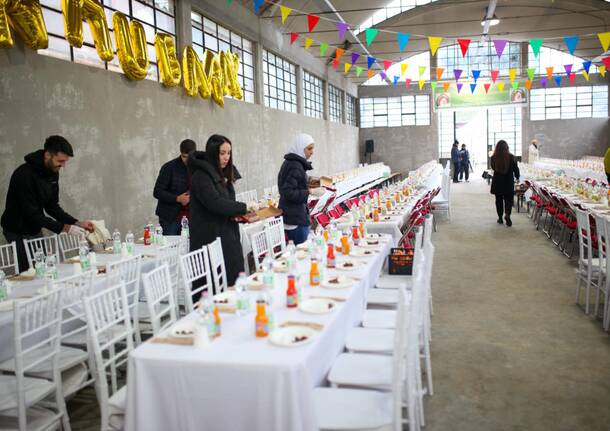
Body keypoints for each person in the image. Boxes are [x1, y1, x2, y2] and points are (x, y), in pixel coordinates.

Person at [1, 136, 95, 271]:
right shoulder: (23, 174)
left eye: (65, 161)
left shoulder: (53, 172)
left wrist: (77, 223)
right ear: (47, 155)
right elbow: (31, 213)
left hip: (35, 226)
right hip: (16, 229)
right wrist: (64, 228)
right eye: (61, 161)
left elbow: (52, 206)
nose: (63, 165)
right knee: (30, 271)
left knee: (43, 267)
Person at [188, 134, 247, 287]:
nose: (226, 157)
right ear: (213, 153)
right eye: (222, 153)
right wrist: (243, 208)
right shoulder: (201, 176)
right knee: (215, 286)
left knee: (232, 280)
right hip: (210, 236)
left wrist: (236, 213)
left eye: (229, 153)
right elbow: (215, 203)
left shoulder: (221, 173)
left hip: (226, 233)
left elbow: (227, 201)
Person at [278, 133, 316, 245]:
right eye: (309, 149)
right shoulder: (296, 165)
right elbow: (287, 192)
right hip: (295, 218)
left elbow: (293, 183)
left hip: (292, 215)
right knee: (302, 254)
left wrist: (308, 182)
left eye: (313, 149)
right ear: (300, 148)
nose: (312, 152)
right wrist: (309, 192)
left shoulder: (291, 163)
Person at [153, 139, 196, 235]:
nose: (187, 160)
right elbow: (157, 191)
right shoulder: (169, 167)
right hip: (170, 218)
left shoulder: (199, 166)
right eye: (184, 157)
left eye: (190, 157)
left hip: (191, 217)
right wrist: (178, 199)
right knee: (170, 247)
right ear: (181, 153)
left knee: (189, 248)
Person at [490, 140, 520, 227]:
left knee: (498, 200)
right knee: (508, 200)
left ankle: (500, 218)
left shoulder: (493, 157)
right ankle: (507, 214)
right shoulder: (511, 157)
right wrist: (517, 177)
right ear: (507, 147)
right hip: (508, 182)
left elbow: (493, 167)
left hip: (497, 182)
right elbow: (516, 169)